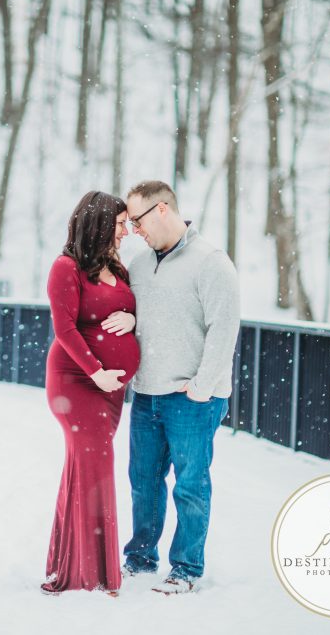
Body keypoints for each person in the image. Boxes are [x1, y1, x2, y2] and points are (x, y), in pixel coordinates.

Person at [120, 180, 240, 595]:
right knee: (144, 480)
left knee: (190, 484)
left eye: (137, 220)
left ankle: (186, 568)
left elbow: (224, 328)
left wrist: (204, 386)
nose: (134, 230)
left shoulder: (211, 262)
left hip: (193, 397)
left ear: (162, 210)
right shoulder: (138, 264)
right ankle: (139, 558)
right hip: (147, 393)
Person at [40, 191, 140, 597]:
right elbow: (64, 329)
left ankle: (72, 563)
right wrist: (97, 372)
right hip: (76, 382)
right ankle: (89, 574)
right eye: (119, 224)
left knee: (84, 469)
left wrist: (132, 317)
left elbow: (132, 311)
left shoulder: (118, 267)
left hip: (109, 390)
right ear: (99, 224)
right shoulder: (66, 268)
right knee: (96, 466)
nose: (125, 231)